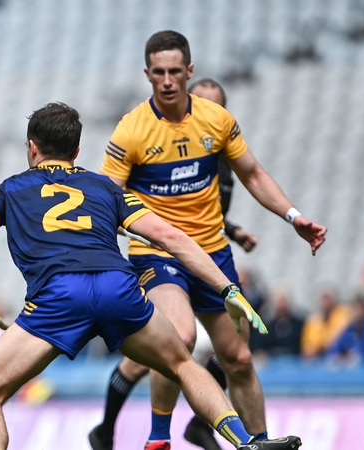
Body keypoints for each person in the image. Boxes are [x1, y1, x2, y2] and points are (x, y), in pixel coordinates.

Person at [0, 102, 302, 450]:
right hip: (118, 287)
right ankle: (245, 442)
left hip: (60, 296)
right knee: (182, 363)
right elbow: (173, 237)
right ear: (76, 150)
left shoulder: (11, 189)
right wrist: (227, 289)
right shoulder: (106, 187)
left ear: (32, 148)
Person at [91, 30, 326, 450]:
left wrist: (293, 216)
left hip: (212, 253)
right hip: (157, 254)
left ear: (189, 71)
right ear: (147, 74)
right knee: (178, 338)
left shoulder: (216, 120)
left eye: (175, 72)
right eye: (158, 72)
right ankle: (158, 439)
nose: (167, 80)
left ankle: (259, 442)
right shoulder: (131, 130)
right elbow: (108, 199)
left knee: (238, 359)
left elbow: (252, 173)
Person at [94, 77, 261, 450]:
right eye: (196, 101)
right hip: (160, 255)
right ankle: (117, 431)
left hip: (203, 256)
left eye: (211, 105)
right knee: (169, 347)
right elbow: (128, 202)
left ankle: (201, 427)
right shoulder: (152, 142)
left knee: (234, 354)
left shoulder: (223, 162)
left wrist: (232, 230)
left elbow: (204, 216)